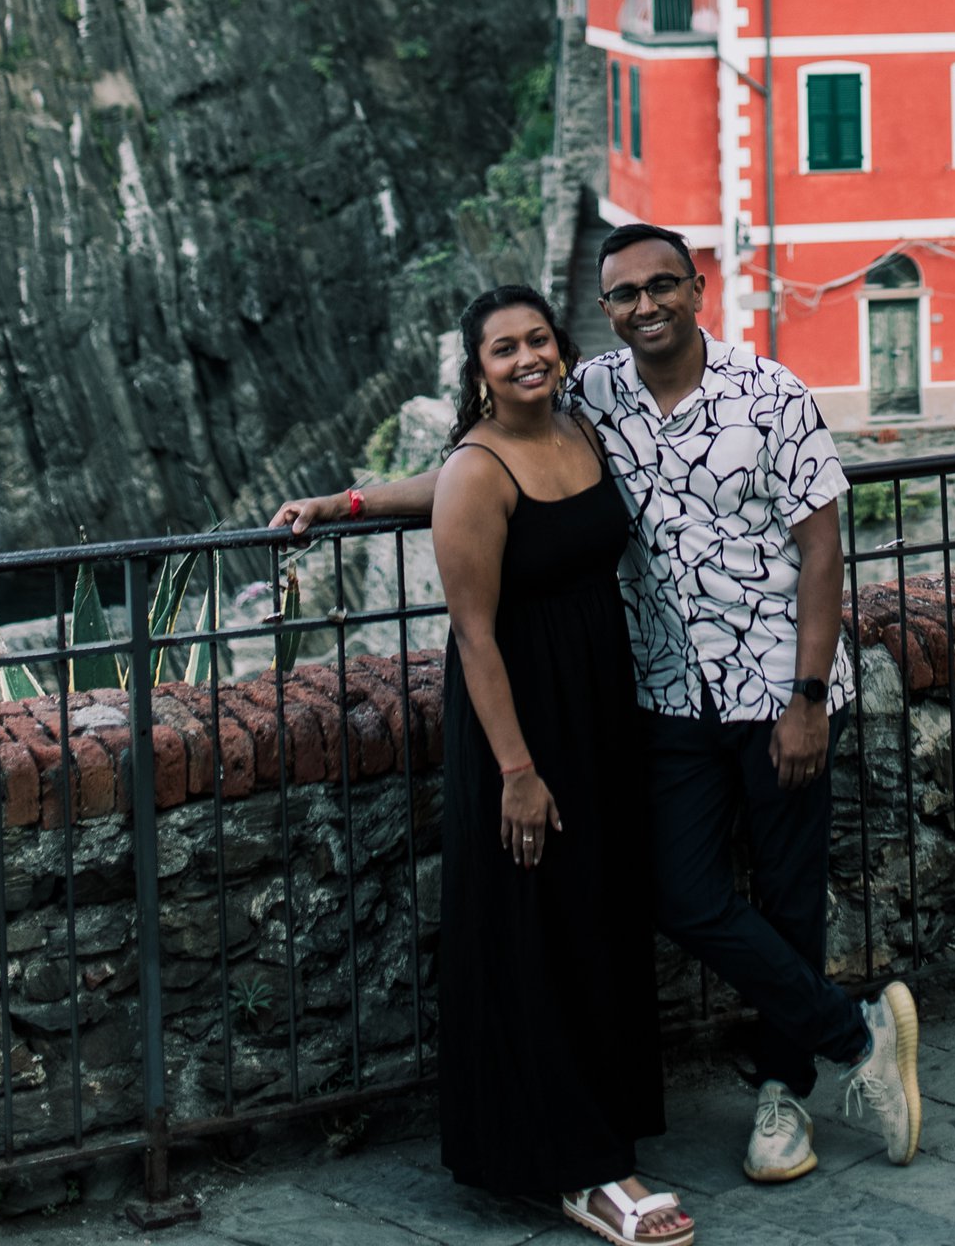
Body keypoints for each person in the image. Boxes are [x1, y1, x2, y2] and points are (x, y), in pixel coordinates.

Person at [272, 225, 920, 1188]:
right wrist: (348, 505)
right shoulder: (591, 395)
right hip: (661, 691)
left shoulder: (772, 394)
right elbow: (471, 473)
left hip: (777, 686)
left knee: (787, 898)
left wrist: (810, 697)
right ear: (605, 311)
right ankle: (856, 1034)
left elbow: (822, 549)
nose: (646, 304)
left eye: (665, 285)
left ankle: (786, 1094)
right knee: (679, 896)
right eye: (625, 294)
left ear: (697, 290)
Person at [271, 285, 692, 1246]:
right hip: (523, 723)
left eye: (538, 339)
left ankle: (599, 1136)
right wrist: (516, 772)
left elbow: (445, 490)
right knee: (544, 930)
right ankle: (586, 1172)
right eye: (504, 349)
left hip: (595, 706)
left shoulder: (575, 432)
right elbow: (473, 633)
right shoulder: (480, 464)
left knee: (597, 918)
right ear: (478, 371)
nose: (527, 358)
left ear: (560, 347)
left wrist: (352, 499)